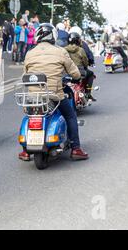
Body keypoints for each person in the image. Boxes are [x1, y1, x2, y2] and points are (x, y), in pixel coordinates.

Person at [20, 23, 89, 162]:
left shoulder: (29, 53)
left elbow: (25, 75)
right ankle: (76, 149)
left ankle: (25, 151)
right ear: (53, 36)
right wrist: (76, 77)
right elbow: (75, 73)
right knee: (70, 115)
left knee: (31, 115)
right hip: (54, 95)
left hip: (33, 97)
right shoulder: (60, 51)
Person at [65, 33, 96, 101]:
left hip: (67, 72)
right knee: (91, 74)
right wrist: (86, 65)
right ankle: (88, 93)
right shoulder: (80, 50)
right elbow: (85, 62)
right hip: (79, 71)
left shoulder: (64, 49)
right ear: (78, 40)